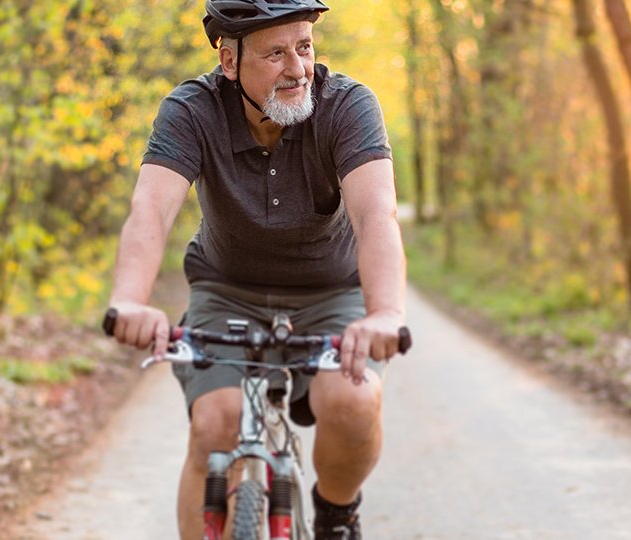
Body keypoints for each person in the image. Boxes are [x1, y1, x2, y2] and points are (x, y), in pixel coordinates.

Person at [104, 1, 406, 538]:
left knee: (355, 402)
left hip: (330, 291)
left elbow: (374, 214)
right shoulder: (191, 110)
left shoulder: (347, 106)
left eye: (304, 47)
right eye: (275, 53)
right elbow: (151, 208)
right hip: (228, 291)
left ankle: (336, 513)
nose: (297, 68)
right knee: (214, 427)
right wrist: (130, 298)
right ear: (228, 61)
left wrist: (384, 313)